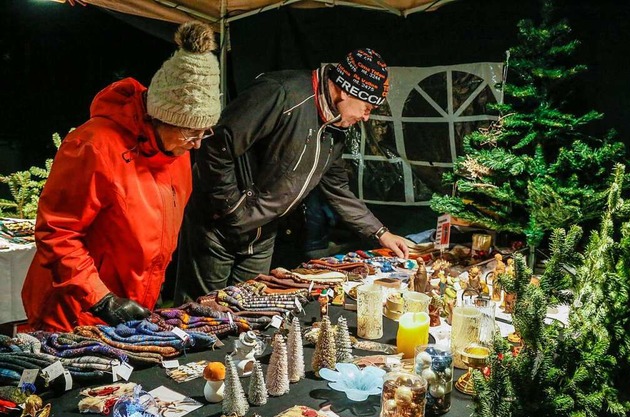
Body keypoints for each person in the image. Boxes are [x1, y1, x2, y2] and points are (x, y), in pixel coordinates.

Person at [21, 21, 221, 332]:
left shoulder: (177, 153)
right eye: (191, 132)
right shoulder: (93, 146)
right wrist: (102, 299)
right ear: (161, 117)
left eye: (204, 132)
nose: (196, 144)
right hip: (74, 311)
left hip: (133, 308)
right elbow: (58, 233)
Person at [175, 48, 409, 304]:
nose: (366, 117)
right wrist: (232, 208)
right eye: (366, 107)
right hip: (216, 227)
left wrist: (381, 233)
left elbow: (338, 189)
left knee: (247, 309)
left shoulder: (335, 128)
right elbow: (216, 145)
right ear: (345, 90)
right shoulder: (282, 93)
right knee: (200, 310)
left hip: (262, 234)